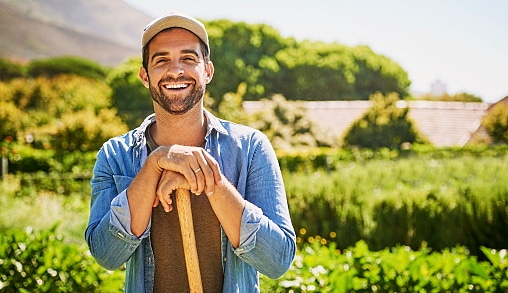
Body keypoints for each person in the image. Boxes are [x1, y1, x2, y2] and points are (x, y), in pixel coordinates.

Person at [85, 11, 296, 293]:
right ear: (145, 76)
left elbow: (277, 260)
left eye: (188, 58)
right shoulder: (114, 156)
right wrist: (156, 164)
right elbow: (106, 255)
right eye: (161, 60)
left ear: (207, 71)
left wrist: (211, 182)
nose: (175, 70)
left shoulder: (251, 148)